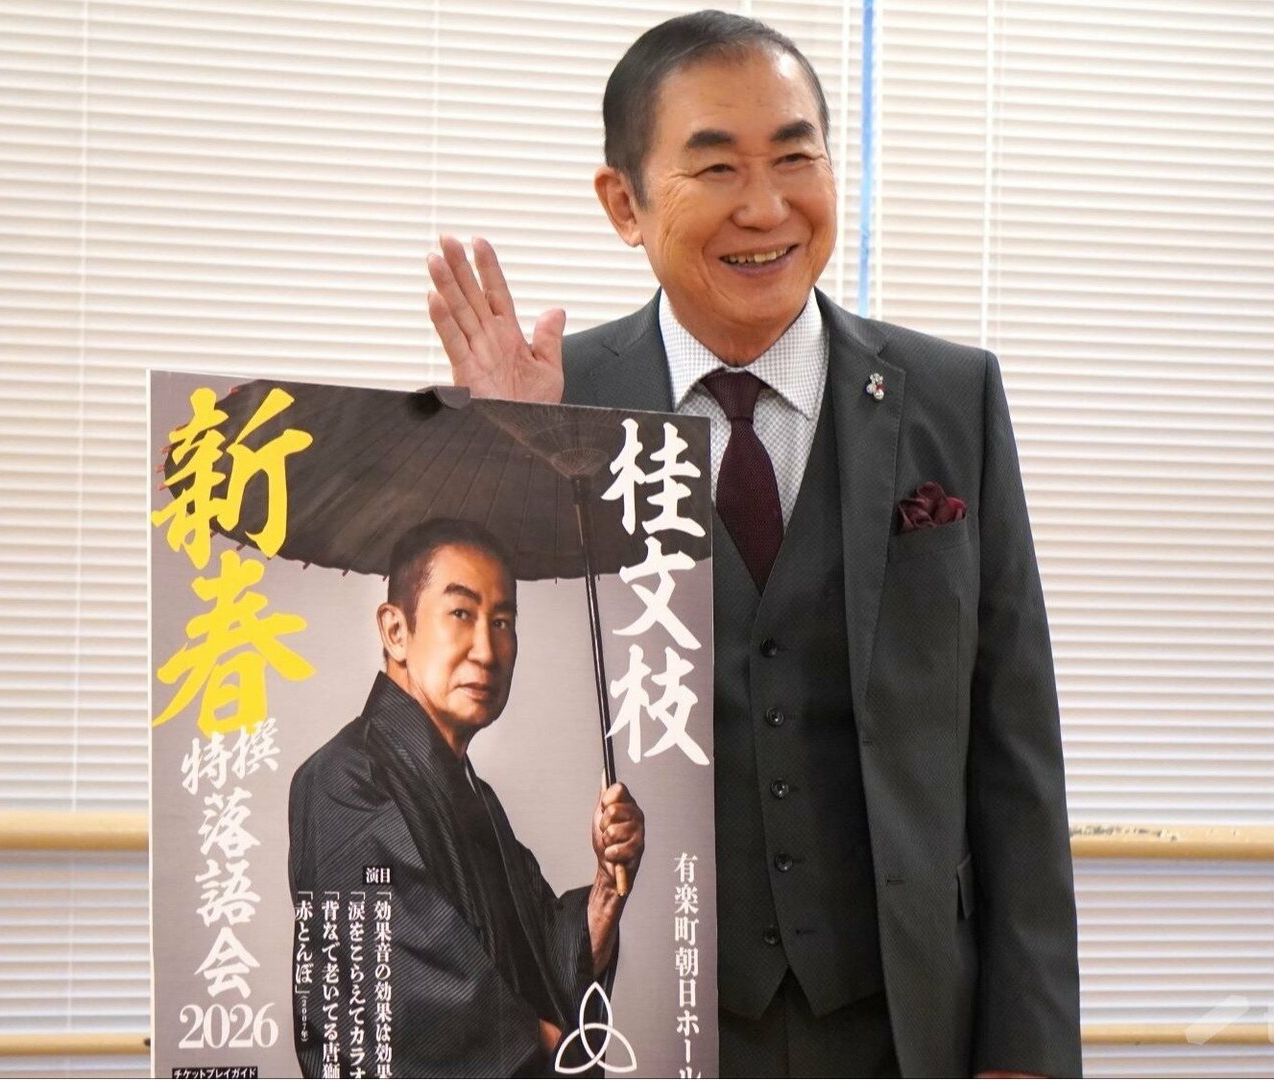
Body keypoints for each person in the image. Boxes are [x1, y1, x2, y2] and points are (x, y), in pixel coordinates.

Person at [422, 10, 1081, 1079]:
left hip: (900, 1022)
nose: (766, 207)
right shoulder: (554, 398)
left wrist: (1027, 1053)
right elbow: (497, 688)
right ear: (624, 203)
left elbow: (1017, 751)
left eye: (794, 157)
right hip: (654, 1020)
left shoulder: (950, 397)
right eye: (717, 166)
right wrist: (507, 451)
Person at [286, 517, 646, 1078]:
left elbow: (542, 958)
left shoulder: (476, 796)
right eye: (461, 613)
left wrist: (606, 887)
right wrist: (546, 1044)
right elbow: (404, 995)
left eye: (502, 622)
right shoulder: (343, 779)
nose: (487, 649)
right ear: (395, 630)